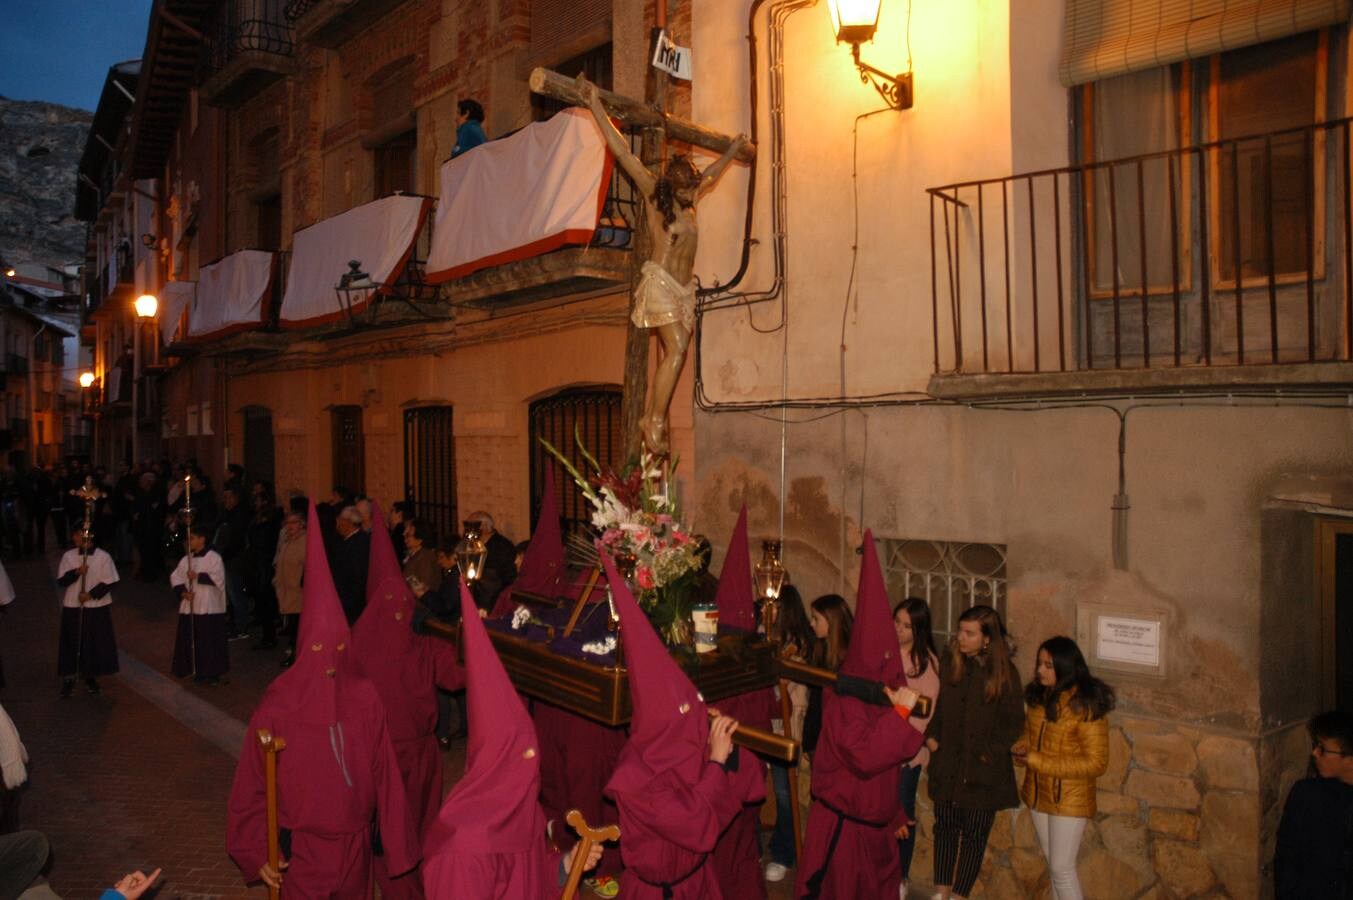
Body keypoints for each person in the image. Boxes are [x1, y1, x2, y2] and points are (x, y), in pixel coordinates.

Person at [227, 501, 419, 896]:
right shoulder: (278, 706)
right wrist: (258, 848)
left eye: (335, 650)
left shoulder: (364, 697)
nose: (328, 663)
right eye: (318, 650)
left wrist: (395, 842)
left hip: (356, 843)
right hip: (302, 848)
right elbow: (252, 784)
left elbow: (386, 772)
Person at [577, 74, 749, 454]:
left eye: (694, 187)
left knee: (679, 350)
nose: (695, 191)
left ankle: (653, 417)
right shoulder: (656, 196)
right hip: (661, 283)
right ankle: (652, 419)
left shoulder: (690, 199)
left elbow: (713, 174)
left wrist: (734, 148)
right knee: (677, 348)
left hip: (684, 291)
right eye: (689, 187)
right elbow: (622, 152)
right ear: (675, 184)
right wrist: (595, 104)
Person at [422, 578, 603, 898]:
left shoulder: (521, 809)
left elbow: (530, 879)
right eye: (524, 759)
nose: (533, 773)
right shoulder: (461, 851)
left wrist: (566, 865)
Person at [602, 554, 747, 898]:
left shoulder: (679, 745)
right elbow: (696, 825)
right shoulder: (635, 778)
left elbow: (749, 787)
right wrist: (715, 763)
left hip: (697, 882)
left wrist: (729, 750)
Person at [795, 532, 923, 900]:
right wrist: (899, 712)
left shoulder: (877, 690)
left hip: (874, 829)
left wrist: (894, 811)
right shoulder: (844, 694)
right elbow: (863, 756)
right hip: (843, 833)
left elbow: (884, 768)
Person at [353, 502, 464, 899]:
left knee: (384, 826)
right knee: (411, 825)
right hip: (409, 754)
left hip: (379, 755)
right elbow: (458, 677)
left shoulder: (354, 651)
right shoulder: (423, 648)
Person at [925, 605, 1024, 900]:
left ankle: (959, 895)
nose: (961, 637)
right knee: (944, 828)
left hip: (983, 771)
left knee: (974, 836)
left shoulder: (1005, 673)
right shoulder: (951, 662)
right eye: (960, 630)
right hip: (949, 764)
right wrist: (932, 738)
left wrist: (989, 753)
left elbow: (1013, 721)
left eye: (969, 633)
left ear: (987, 639)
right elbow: (940, 706)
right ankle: (940, 892)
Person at [1012, 635, 1114, 900]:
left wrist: (1037, 760)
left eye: (1048, 665)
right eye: (1039, 663)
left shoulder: (1085, 705)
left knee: (1062, 869)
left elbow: (1096, 762)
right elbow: (1031, 733)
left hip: (1069, 797)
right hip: (1039, 790)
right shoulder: (1039, 697)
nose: (1039, 670)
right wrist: (1023, 746)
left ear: (1066, 668)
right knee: (1054, 865)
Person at [706, 505, 773, 900]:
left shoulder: (752, 665)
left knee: (738, 846)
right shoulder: (718, 665)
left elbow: (760, 718)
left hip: (741, 770)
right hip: (720, 772)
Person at [1274, 709, 1353, 897]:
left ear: (1349, 759)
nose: (1315, 753)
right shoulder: (1307, 794)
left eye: (1323, 749)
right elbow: (1286, 855)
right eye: (1316, 745)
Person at [893, 597, 941, 896]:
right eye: (896, 622)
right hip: (881, 746)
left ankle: (900, 877)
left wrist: (899, 741)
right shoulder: (885, 653)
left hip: (905, 751)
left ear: (919, 629)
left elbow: (926, 713)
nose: (898, 629)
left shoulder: (927, 663)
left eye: (905, 625)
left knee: (902, 812)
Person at [765, 585, 812, 883]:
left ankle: (785, 852)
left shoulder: (799, 646)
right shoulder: (766, 636)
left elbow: (786, 689)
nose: (766, 613)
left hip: (785, 728)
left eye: (771, 608)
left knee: (785, 794)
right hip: (763, 725)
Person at [56, 528, 120, 697]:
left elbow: (110, 581)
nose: (75, 537)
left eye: (79, 534)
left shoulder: (103, 557)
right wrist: (76, 572)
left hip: (95, 607)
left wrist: (90, 594)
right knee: (72, 641)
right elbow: (62, 580)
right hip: (73, 605)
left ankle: (91, 676)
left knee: (93, 642)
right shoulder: (68, 556)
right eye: (75, 534)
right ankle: (69, 677)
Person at [169, 524, 230, 685]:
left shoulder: (214, 558)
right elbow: (176, 577)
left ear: (202, 539)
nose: (189, 541)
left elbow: (219, 579)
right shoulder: (186, 559)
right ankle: (193, 669)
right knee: (192, 639)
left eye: (192, 538)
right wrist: (183, 592)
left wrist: (198, 576)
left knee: (209, 641)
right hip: (191, 605)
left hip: (209, 607)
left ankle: (211, 673)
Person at [803, 594, 853, 762]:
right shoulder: (820, 651)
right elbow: (815, 702)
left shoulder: (848, 661)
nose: (811, 624)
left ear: (832, 621)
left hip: (835, 741)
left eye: (816, 618)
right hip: (817, 736)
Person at [214, 485, 253, 640]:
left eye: (229, 497)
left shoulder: (240, 516)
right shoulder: (227, 514)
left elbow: (236, 539)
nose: (226, 501)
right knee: (231, 593)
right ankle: (235, 621)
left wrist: (225, 554)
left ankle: (241, 626)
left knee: (236, 594)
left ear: (237, 498)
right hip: (227, 558)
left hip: (234, 560)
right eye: (224, 498)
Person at [272, 510, 306, 668]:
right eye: (288, 523)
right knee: (291, 627)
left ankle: (297, 656)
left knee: (297, 628)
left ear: (301, 524)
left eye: (294, 522)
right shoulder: (286, 541)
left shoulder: (305, 541)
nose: (290, 526)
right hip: (285, 590)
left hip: (298, 593)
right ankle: (294, 654)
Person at [329, 505, 371, 624]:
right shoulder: (350, 541)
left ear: (348, 522)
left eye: (340, 520)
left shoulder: (359, 543)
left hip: (351, 601)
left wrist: (348, 601)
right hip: (347, 598)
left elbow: (358, 575)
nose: (337, 524)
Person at [402, 518, 442, 600]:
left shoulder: (426, 558)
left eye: (408, 535)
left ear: (420, 540)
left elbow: (421, 587)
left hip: (421, 608)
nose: (404, 536)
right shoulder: (415, 555)